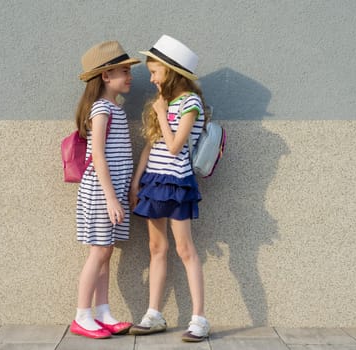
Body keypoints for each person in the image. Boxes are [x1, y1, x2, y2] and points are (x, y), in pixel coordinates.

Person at [129, 35, 211, 342]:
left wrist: (162, 113)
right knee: (156, 248)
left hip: (177, 183)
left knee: (184, 249)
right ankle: (154, 314)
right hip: (154, 182)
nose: (151, 79)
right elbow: (152, 144)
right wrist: (138, 180)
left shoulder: (190, 103)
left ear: (171, 72)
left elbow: (176, 147)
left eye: (155, 72)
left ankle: (200, 318)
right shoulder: (164, 102)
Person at [70, 40, 140, 339]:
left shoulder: (114, 108)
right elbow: (97, 154)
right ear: (105, 77)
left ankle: (103, 312)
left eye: (128, 71)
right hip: (101, 192)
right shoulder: (101, 108)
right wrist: (112, 198)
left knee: (106, 251)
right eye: (123, 71)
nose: (129, 76)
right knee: (98, 252)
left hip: (111, 190)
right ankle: (82, 315)